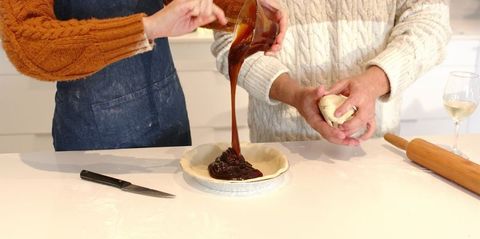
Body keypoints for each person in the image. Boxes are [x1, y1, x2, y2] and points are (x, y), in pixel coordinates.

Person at [0, 0, 285, 151]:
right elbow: (28, 44)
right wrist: (146, 29)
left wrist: (246, 8)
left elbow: (186, 4)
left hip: (169, 124)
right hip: (93, 142)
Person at [212, 0, 451, 146]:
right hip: (281, 149)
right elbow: (229, 40)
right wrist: (294, 94)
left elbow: (432, 22)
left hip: (374, 147)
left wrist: (375, 82)